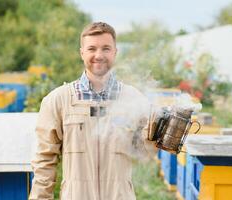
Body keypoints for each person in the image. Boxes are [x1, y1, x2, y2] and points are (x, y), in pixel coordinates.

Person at [29, 22, 158, 200]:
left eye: (106, 48)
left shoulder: (134, 98)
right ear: (82, 52)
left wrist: (158, 134)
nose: (99, 55)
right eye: (92, 48)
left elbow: (144, 154)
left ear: (115, 52)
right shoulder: (57, 100)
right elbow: (45, 161)